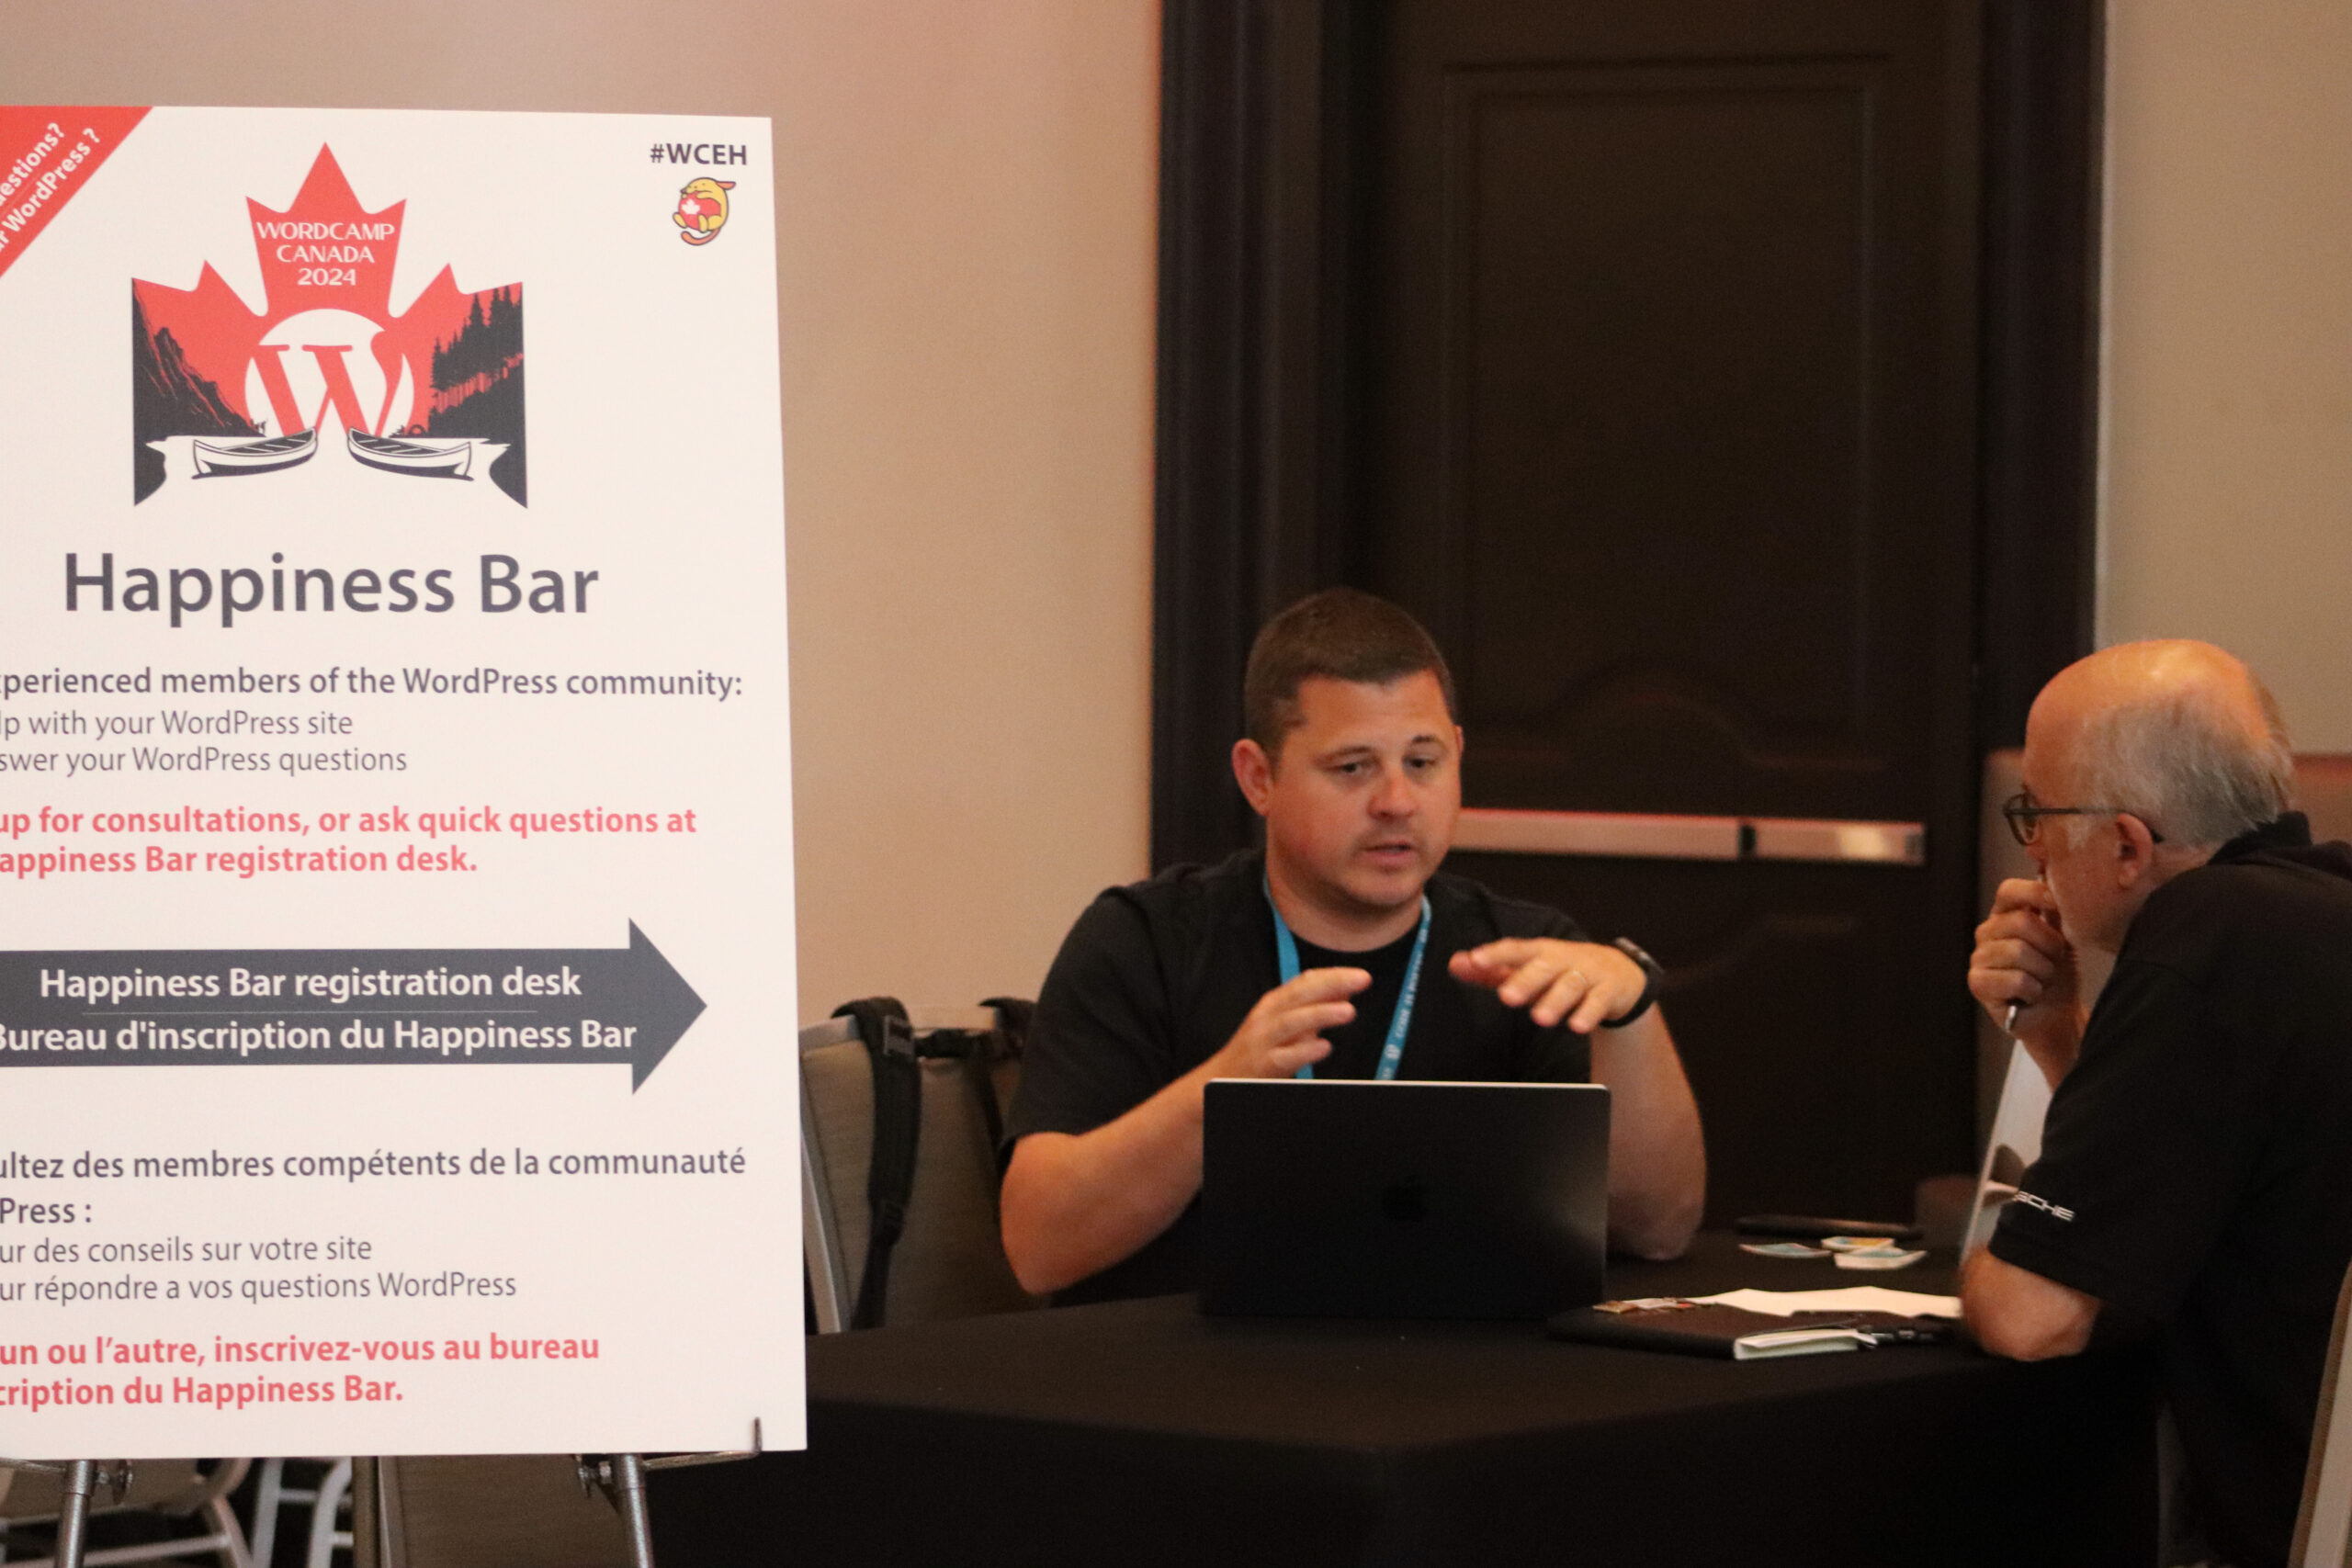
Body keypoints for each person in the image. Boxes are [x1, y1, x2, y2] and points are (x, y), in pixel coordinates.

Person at [1000, 588, 1705, 1303]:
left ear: (1458, 755)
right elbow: (1040, 1247)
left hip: (1460, 1382)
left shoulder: (1529, 958)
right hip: (1190, 1383)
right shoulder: (1145, 941)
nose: (1397, 801)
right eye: (1353, 767)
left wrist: (1632, 1008)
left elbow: (1657, 1230)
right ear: (1259, 776)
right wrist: (1223, 1091)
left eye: (1423, 762)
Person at [1963, 639, 2352, 1568]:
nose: (2032, 850)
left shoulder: (2203, 937)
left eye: (2038, 814)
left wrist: (1978, 1261)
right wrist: (2056, 1032)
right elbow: (2186, 1161)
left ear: (2127, 845)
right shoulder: (2318, 912)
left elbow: (2033, 1316)